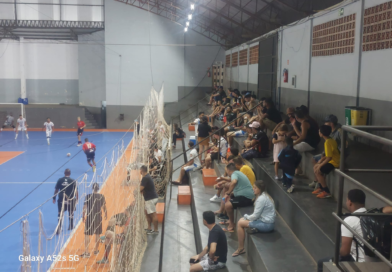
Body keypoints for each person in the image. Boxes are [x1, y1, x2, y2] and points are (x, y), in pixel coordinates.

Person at [316, 190, 392, 271]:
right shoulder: (373, 215)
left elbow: (345, 252)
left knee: (322, 263)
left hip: (360, 262)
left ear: (350, 202)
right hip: (381, 260)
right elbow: (385, 209)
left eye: (346, 200)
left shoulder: (350, 220)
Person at [232, 180, 276, 257]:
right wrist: (247, 218)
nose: (253, 189)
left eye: (255, 188)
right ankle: (255, 228)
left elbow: (255, 216)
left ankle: (241, 248)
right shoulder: (265, 195)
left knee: (240, 223)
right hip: (267, 222)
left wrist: (246, 217)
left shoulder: (261, 199)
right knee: (243, 220)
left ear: (260, 189)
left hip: (267, 225)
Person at [309, 114, 346, 188]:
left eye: (326, 122)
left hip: (336, 157)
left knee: (319, 168)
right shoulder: (329, 134)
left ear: (331, 124)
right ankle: (318, 181)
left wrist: (321, 164)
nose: (324, 124)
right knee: (315, 160)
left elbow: (345, 145)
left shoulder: (339, 132)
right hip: (331, 155)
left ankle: (322, 187)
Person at [222, 163, 254, 232]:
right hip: (243, 195)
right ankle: (230, 220)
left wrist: (228, 193)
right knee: (229, 198)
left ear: (228, 170)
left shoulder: (234, 174)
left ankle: (231, 224)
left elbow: (234, 182)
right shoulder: (238, 173)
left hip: (247, 198)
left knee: (228, 205)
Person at [312, 125, 340, 199]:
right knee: (316, 167)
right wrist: (321, 160)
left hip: (334, 162)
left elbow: (329, 157)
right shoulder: (331, 140)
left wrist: (320, 165)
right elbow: (329, 155)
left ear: (322, 133)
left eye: (319, 131)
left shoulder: (327, 142)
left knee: (318, 170)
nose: (318, 132)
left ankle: (326, 191)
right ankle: (321, 188)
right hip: (332, 160)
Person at [80, 182, 107, 258]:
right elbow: (104, 206)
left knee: (87, 234)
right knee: (97, 233)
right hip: (98, 216)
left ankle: (87, 252)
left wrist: (83, 215)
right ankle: (96, 250)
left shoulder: (88, 196)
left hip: (90, 217)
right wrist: (106, 214)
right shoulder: (101, 196)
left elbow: (84, 207)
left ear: (92, 188)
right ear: (98, 188)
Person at [53, 169, 78, 233]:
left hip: (62, 198)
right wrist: (77, 199)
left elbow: (56, 190)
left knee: (60, 212)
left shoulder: (60, 180)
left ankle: (59, 226)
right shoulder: (73, 181)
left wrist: (54, 198)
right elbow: (76, 191)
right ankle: (71, 225)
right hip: (70, 199)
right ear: (70, 173)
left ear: (64, 173)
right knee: (71, 212)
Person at [140, 165, 159, 234]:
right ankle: (149, 227)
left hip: (150, 199)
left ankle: (156, 230)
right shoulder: (147, 177)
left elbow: (140, 189)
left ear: (141, 171)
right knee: (147, 212)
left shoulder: (145, 178)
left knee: (153, 214)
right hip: (151, 198)